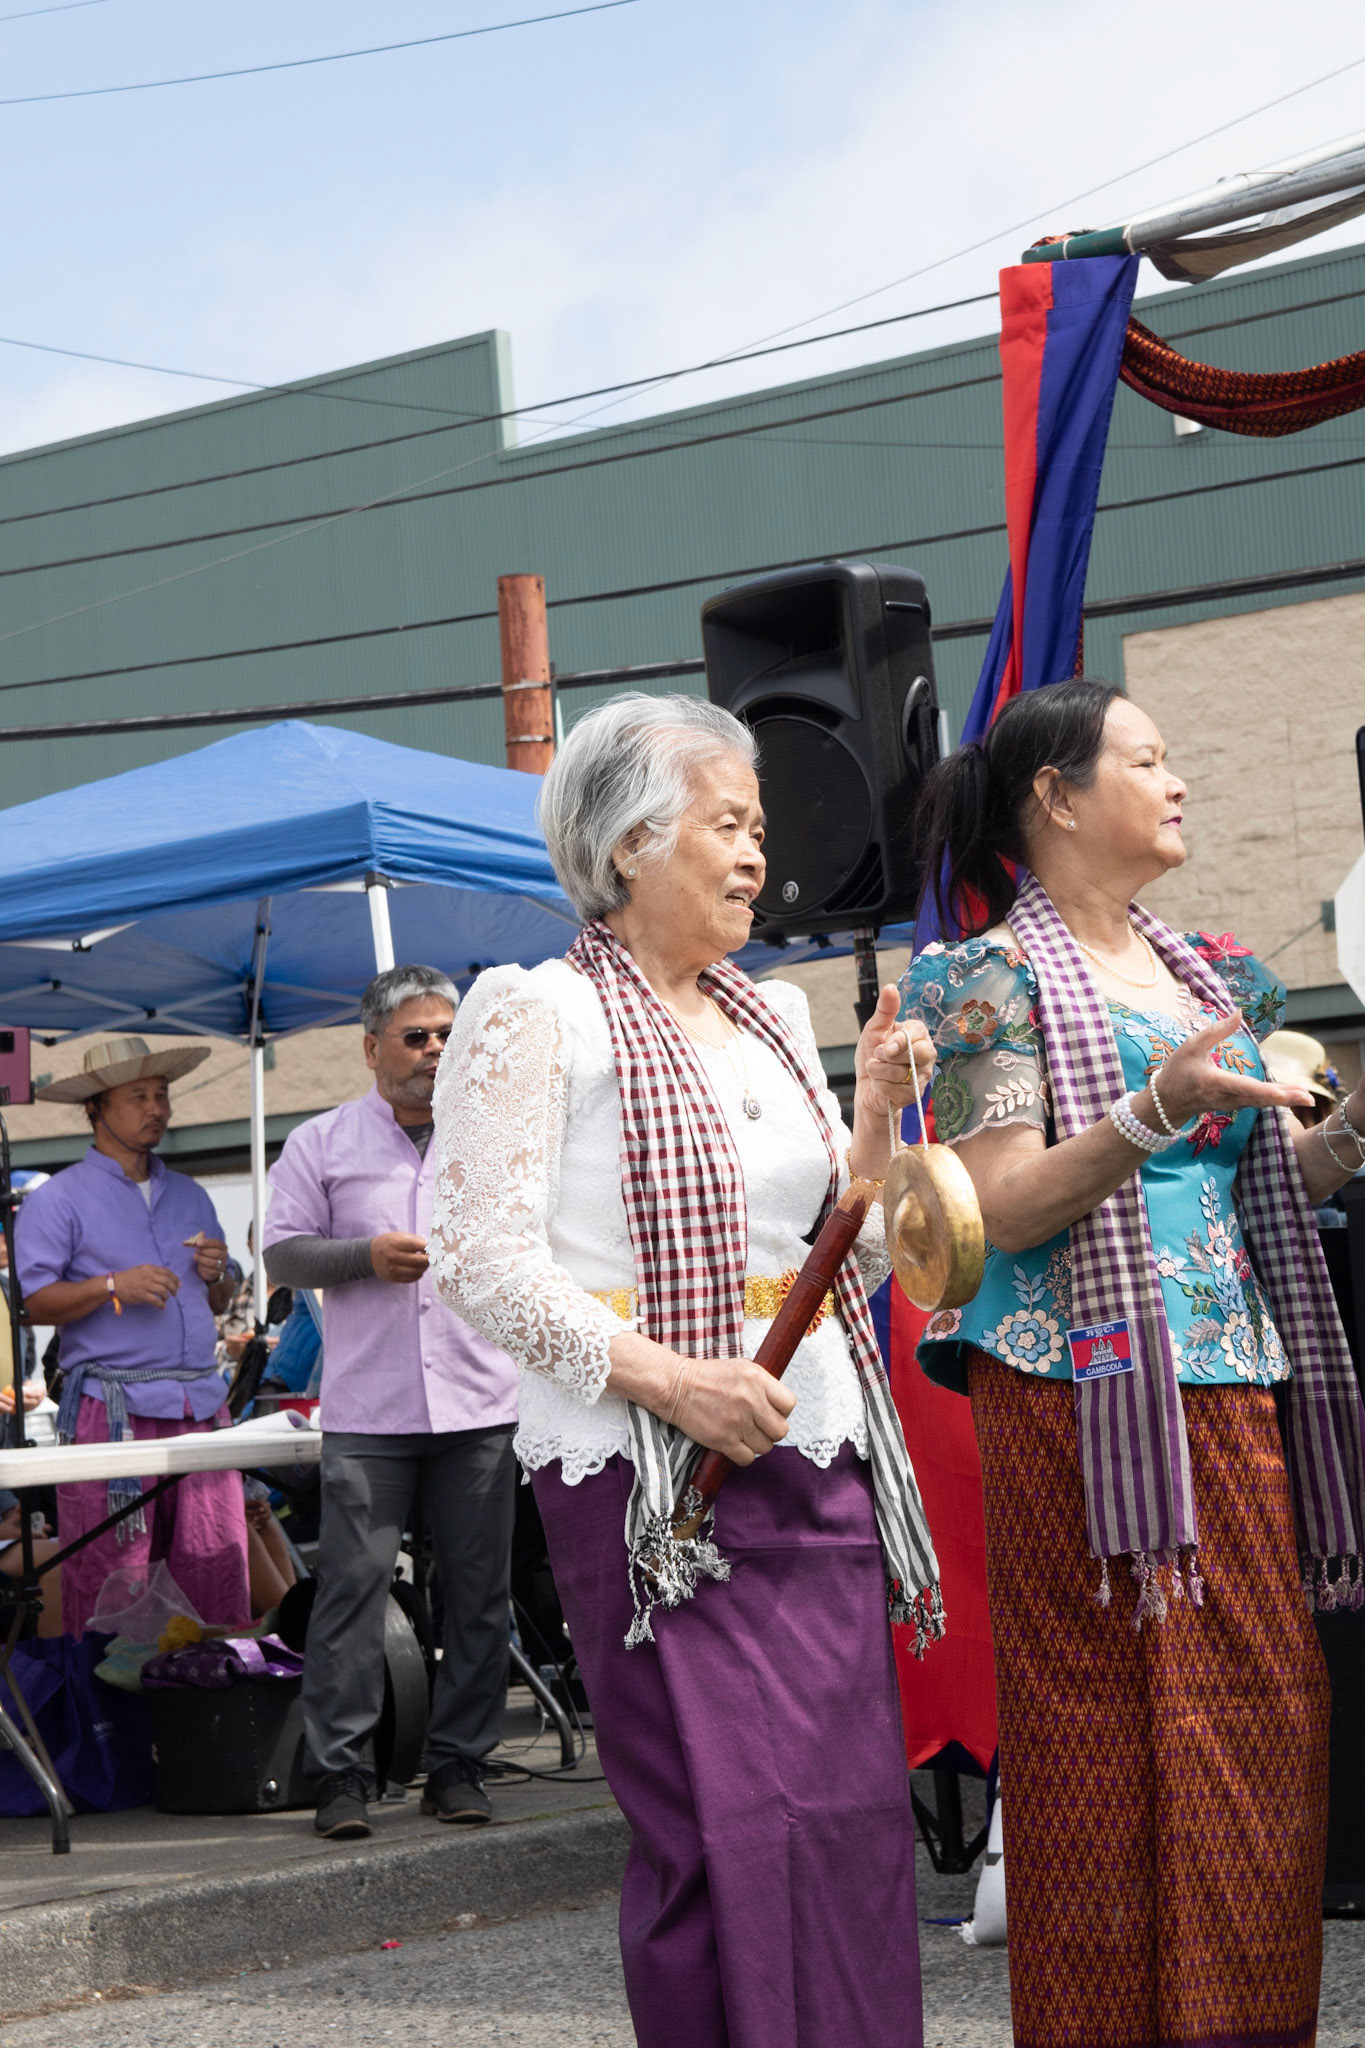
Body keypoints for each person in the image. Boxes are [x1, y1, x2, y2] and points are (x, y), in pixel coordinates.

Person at [429, 693, 942, 2048]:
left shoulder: (772, 1014)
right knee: (723, 1831)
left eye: (759, 827)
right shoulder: (537, 1011)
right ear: (628, 843)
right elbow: (477, 1259)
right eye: (727, 823)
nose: (758, 853)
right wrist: (672, 1381)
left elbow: (847, 1250)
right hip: (655, 1483)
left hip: (812, 1453)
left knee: (847, 1821)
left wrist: (875, 1120)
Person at [901, 678, 1365, 2048]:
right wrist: (1155, 1106)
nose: (1177, 782)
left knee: (1265, 1713)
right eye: (1147, 759)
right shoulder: (982, 979)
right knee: (1103, 1730)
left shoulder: (1212, 972)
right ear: (1055, 796)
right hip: (1074, 1395)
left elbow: (1266, 1182)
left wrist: (1350, 1132)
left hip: (1227, 1382)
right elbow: (1001, 1207)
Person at [263, 965, 519, 1842]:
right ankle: (340, 1773)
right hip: (370, 1411)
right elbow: (284, 1256)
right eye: (417, 1037)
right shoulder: (322, 1141)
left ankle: (458, 1764)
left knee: (479, 1595)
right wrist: (363, 1257)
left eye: (448, 1034)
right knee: (352, 1593)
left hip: (481, 1402)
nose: (436, 1050)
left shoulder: (495, 1138)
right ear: (372, 1049)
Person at [14, 1038, 250, 1638]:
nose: (157, 1109)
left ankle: (213, 1690)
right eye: (139, 1096)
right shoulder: (57, 1199)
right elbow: (31, 1305)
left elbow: (217, 1301)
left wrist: (217, 1275)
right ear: (96, 1109)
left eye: (162, 1094)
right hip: (112, 1409)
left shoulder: (192, 1194)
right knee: (114, 1580)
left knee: (214, 1565)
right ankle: (108, 1700)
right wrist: (112, 1285)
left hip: (200, 1405)